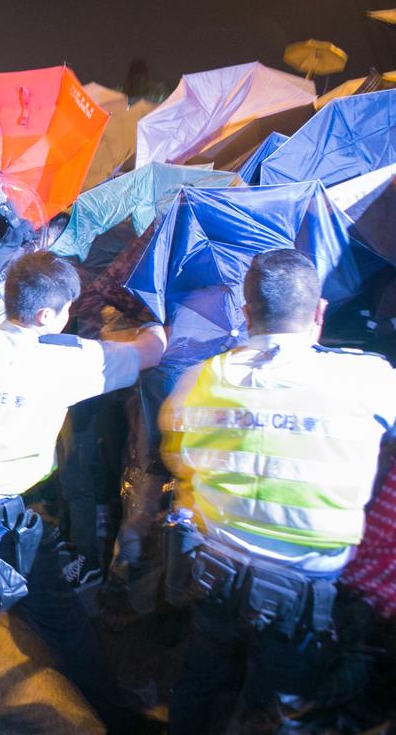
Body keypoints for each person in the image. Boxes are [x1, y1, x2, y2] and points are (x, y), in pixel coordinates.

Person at [0, 250, 166, 728]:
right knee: (62, 622)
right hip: (0, 521)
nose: (67, 317)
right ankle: (114, 712)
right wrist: (150, 308)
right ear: (47, 315)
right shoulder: (66, 360)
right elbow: (153, 351)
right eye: (66, 308)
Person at [160, 249, 396, 733]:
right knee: (273, 711)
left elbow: (178, 458)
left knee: (201, 682)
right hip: (300, 597)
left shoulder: (197, 379)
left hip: (214, 572)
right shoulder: (370, 380)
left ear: (245, 314)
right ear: (319, 313)